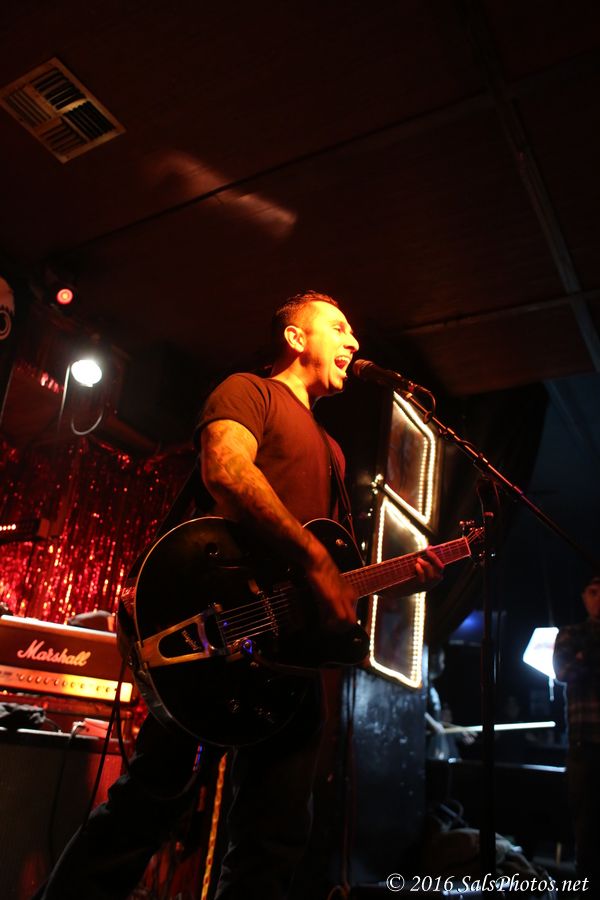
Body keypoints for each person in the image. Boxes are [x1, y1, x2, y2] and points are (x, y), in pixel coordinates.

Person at [33, 290, 444, 900]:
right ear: (295, 338)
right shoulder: (249, 392)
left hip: (288, 666)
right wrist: (313, 560)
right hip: (211, 635)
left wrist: (395, 576)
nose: (354, 341)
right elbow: (226, 470)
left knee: (274, 842)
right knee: (147, 807)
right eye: (338, 327)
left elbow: (329, 573)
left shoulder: (333, 451)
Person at [553, 574, 600, 887]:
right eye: (593, 592)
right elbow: (563, 671)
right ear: (584, 596)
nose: (599, 599)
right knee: (586, 830)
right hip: (584, 745)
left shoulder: (576, 639)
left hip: (584, 745)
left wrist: (586, 657)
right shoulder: (571, 634)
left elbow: (572, 668)